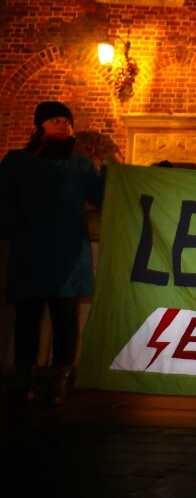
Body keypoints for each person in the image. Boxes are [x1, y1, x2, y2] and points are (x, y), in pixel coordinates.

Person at [0, 101, 105, 405]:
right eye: (54, 120)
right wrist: (18, 229)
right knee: (28, 316)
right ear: (40, 126)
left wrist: (119, 177)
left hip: (68, 254)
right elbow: (4, 200)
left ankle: (60, 376)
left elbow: (101, 196)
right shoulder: (17, 161)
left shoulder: (81, 165)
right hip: (30, 249)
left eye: (66, 121)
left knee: (65, 318)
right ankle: (24, 375)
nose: (62, 125)